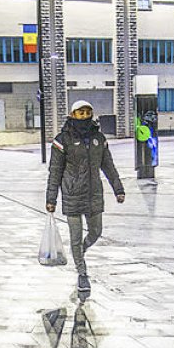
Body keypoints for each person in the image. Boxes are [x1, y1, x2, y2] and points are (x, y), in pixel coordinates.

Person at [46, 100, 124, 294]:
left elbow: (108, 165)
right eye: (80, 113)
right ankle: (82, 274)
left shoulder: (99, 138)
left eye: (87, 112)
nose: (84, 115)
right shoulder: (62, 139)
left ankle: (80, 251)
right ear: (72, 115)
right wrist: (51, 198)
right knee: (75, 236)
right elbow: (55, 171)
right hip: (72, 194)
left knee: (96, 231)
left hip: (94, 193)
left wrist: (118, 188)